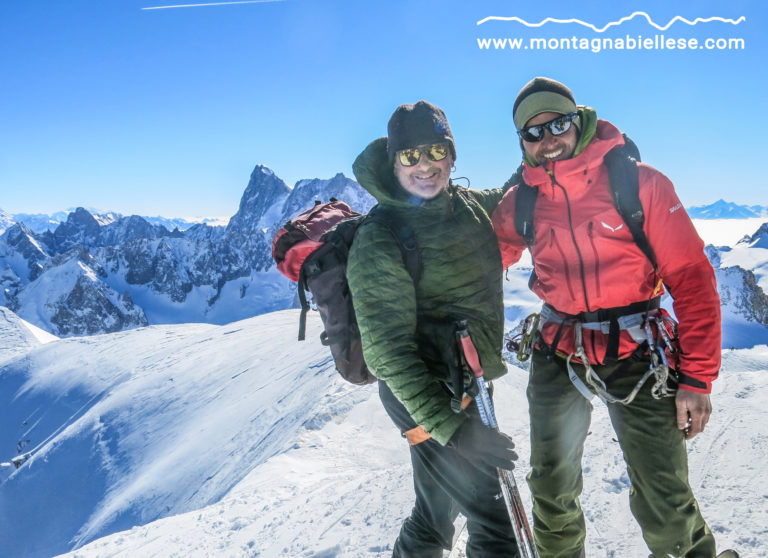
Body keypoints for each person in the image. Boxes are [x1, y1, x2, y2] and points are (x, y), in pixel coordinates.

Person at [492, 77, 728, 557]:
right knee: (551, 494)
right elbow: (478, 265)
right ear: (522, 143)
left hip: (638, 352)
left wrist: (697, 379)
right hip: (559, 350)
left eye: (557, 124)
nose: (548, 141)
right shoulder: (522, 201)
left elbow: (691, 279)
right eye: (533, 133)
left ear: (579, 122)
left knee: (664, 499)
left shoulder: (639, 184)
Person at [346, 101, 519, 557]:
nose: (425, 165)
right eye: (409, 156)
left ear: (452, 154)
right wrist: (455, 430)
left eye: (436, 150)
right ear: (394, 161)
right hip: (426, 396)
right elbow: (386, 353)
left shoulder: (464, 206)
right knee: (496, 521)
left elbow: (510, 194)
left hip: (465, 381)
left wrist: (559, 151)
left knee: (435, 514)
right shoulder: (381, 236)